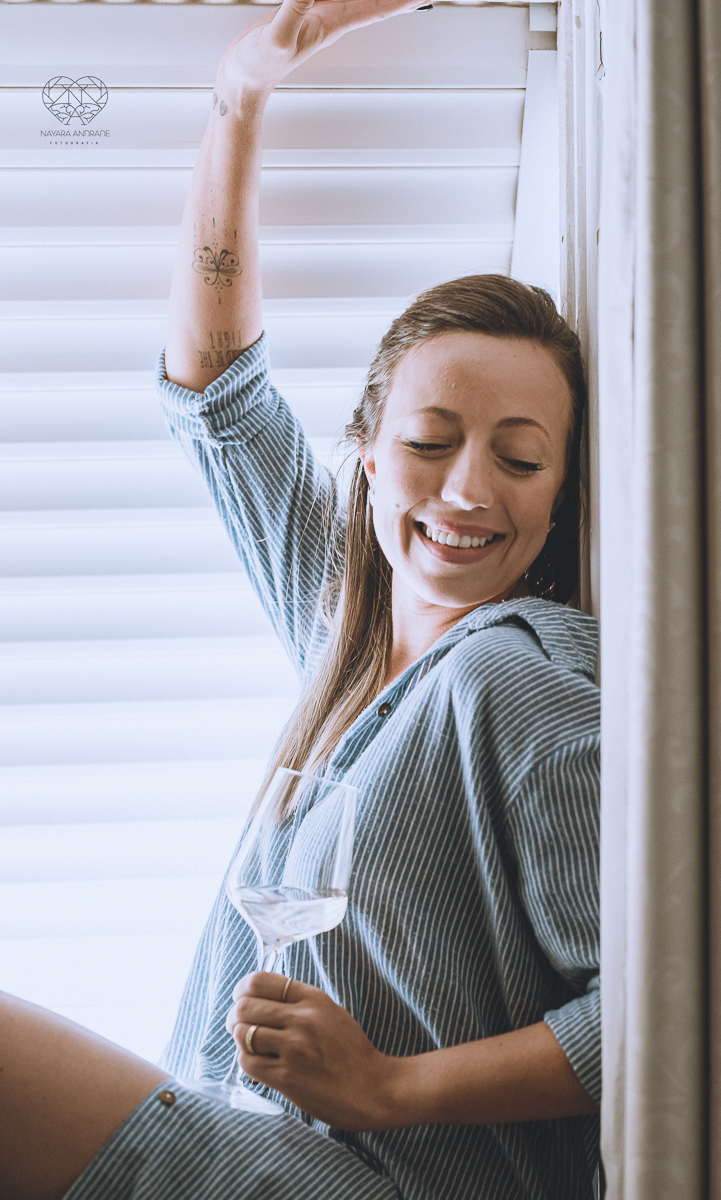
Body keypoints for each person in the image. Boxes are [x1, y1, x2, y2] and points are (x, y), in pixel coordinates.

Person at [0, 2, 600, 1198]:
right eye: (430, 440)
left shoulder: (518, 676)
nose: (468, 490)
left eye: (521, 458)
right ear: (368, 454)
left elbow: (658, 1001)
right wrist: (243, 89)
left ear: (558, 495)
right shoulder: (351, 639)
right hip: (242, 1129)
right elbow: (217, 391)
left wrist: (391, 1087)